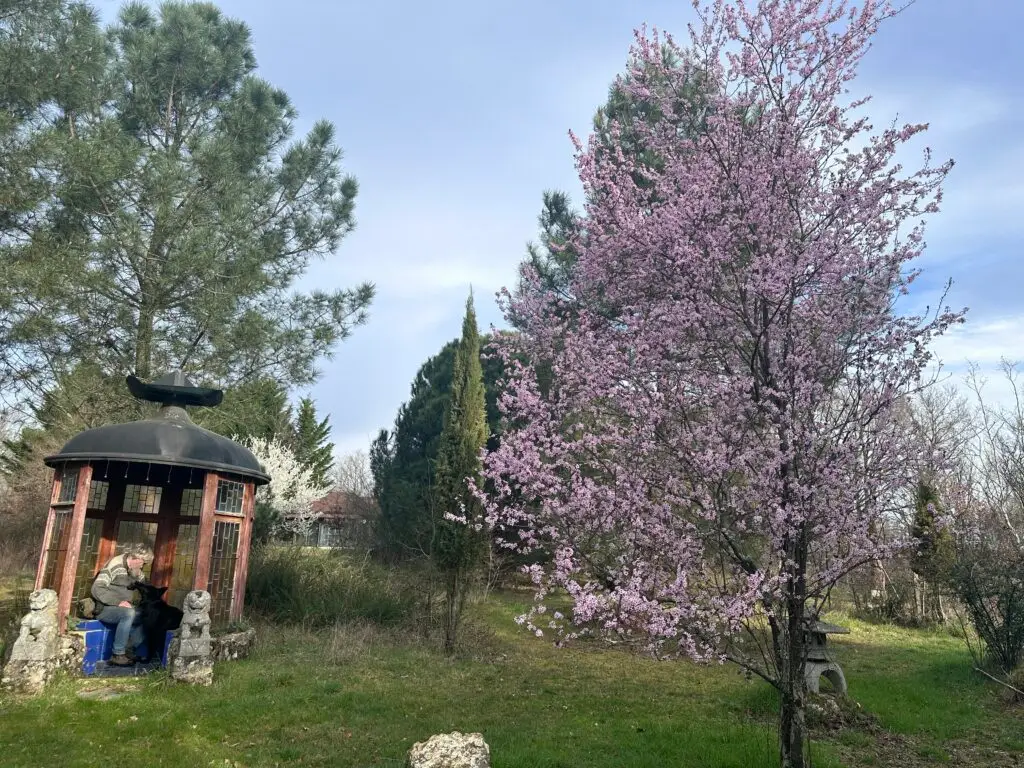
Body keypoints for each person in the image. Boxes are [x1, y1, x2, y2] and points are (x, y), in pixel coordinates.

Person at [91, 544, 153, 666]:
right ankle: (118, 654)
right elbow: (97, 588)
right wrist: (118, 602)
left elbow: (146, 586)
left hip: (123, 608)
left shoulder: (135, 570)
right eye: (143, 563)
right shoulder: (115, 565)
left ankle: (128, 649)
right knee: (128, 613)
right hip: (104, 608)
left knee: (149, 615)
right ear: (136, 558)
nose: (143, 566)